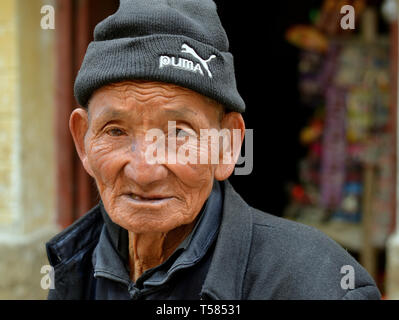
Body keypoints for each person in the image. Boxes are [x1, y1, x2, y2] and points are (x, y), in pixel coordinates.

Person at [46, 0, 381, 300]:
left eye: (178, 133)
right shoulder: (75, 266)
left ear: (228, 145)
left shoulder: (319, 286)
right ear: (83, 141)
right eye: (116, 130)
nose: (143, 170)